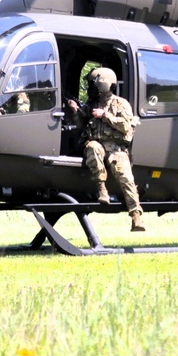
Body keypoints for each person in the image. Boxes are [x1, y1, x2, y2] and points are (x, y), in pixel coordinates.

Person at [66, 67, 144, 232]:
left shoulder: (120, 103)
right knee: (92, 147)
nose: (91, 89)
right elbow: (81, 124)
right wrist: (75, 111)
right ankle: (102, 190)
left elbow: (125, 126)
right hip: (99, 145)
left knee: (126, 177)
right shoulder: (91, 104)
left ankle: (136, 216)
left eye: (93, 86)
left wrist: (105, 115)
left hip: (116, 148)